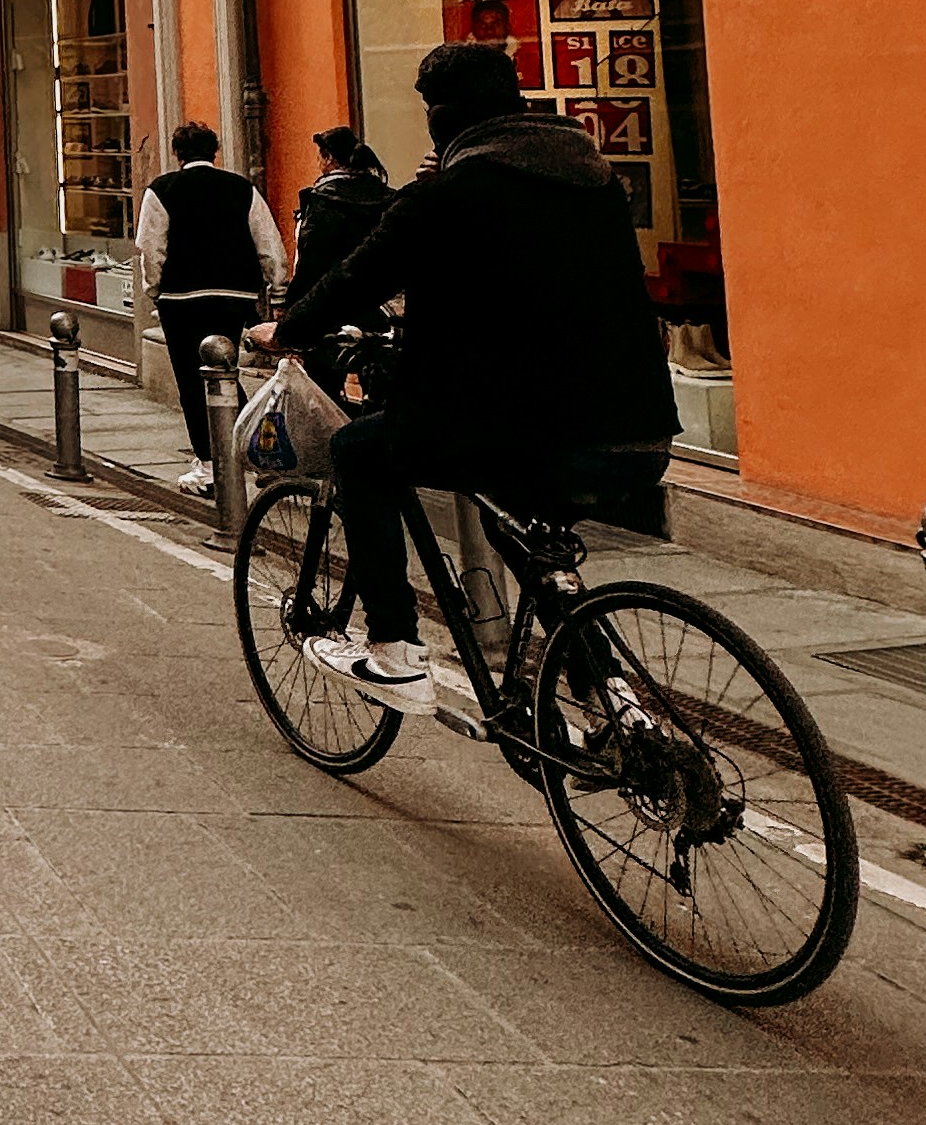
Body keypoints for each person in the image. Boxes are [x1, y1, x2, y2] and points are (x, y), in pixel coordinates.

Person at [269, 39, 678, 710]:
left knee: (358, 453)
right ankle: (610, 699)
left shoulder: (455, 190)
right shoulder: (593, 176)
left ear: (442, 115)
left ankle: (395, 652)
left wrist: (284, 330)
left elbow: (359, 273)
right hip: (638, 430)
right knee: (519, 528)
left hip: (519, 425)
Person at [133, 121, 286, 497]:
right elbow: (269, 243)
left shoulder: (162, 190)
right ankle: (259, 449)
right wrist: (277, 290)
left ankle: (208, 464)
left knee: (191, 380)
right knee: (226, 373)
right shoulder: (241, 189)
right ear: (214, 151)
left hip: (181, 299)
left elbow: (151, 249)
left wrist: (153, 290)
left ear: (177, 153)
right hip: (233, 296)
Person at [286, 126, 392, 345]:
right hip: (380, 301)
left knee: (323, 372)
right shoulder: (387, 196)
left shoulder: (324, 200)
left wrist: (294, 306)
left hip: (330, 303)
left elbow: (312, 258)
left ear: (328, 158)